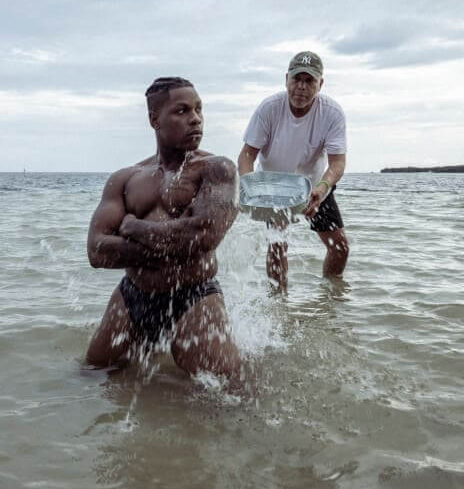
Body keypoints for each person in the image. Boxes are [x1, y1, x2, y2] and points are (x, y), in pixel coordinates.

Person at [85, 77, 242, 383]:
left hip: (195, 296)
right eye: (181, 111)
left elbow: (204, 236)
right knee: (92, 375)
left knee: (230, 393)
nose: (195, 118)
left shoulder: (217, 169)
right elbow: (96, 250)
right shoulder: (126, 178)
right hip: (133, 296)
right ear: (154, 119)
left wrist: (134, 227)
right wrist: (168, 247)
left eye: (198, 109)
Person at [238, 51, 349, 292]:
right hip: (274, 187)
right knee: (277, 246)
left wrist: (322, 188)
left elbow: (338, 163)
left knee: (339, 246)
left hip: (315, 186)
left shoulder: (332, 112)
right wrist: (249, 185)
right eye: (296, 79)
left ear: (320, 84)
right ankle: (279, 304)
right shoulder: (269, 108)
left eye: (309, 81)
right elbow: (247, 155)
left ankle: (330, 301)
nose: (301, 87)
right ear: (286, 79)